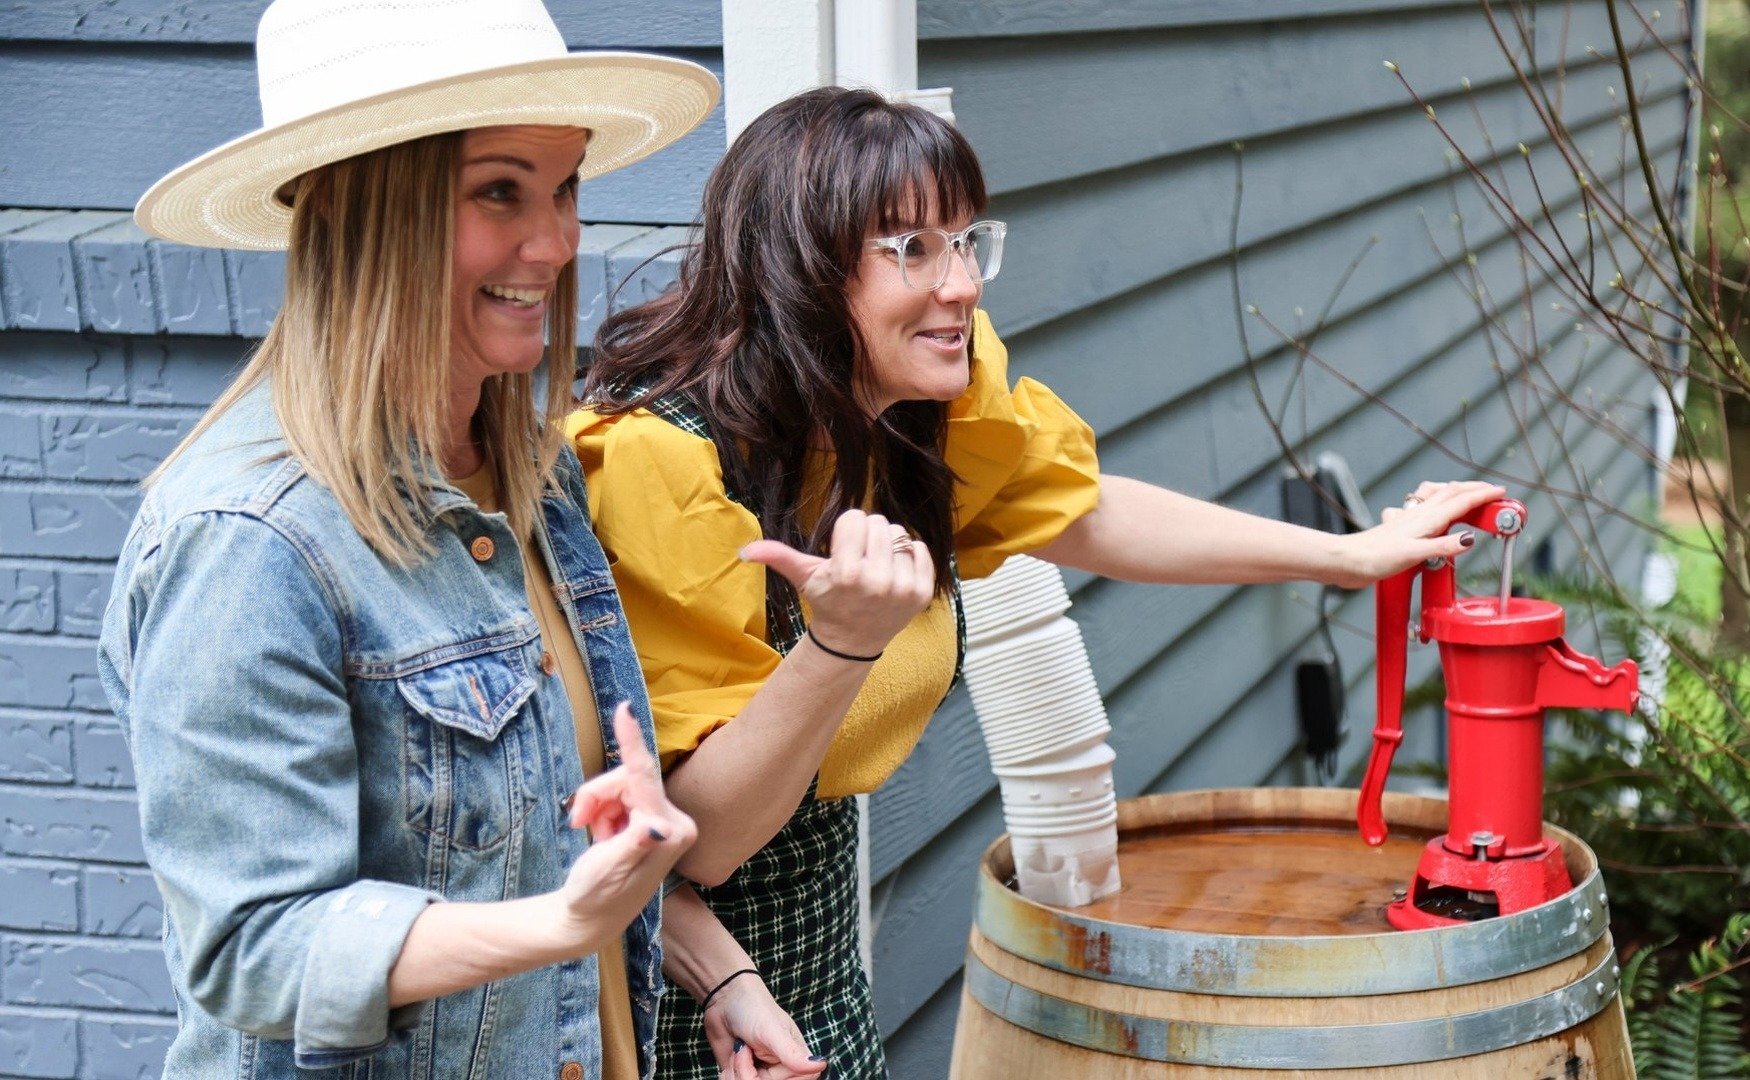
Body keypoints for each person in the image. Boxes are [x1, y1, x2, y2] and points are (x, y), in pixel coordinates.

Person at [568, 86, 1506, 1077]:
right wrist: (840, 645)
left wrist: (1352, 554)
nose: (963, 284)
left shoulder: (902, 410)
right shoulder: (662, 464)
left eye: (967, 240)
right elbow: (701, 844)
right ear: (796, 266)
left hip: (825, 991)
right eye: (913, 248)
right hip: (685, 1025)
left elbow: (1082, 510)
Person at [99, 1, 822, 1076]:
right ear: (362, 210)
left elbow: (551, 822)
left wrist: (720, 973)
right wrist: (557, 926)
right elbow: (251, 945)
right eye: (500, 191)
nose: (557, 241)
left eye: (565, 187)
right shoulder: (251, 540)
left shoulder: (533, 473)